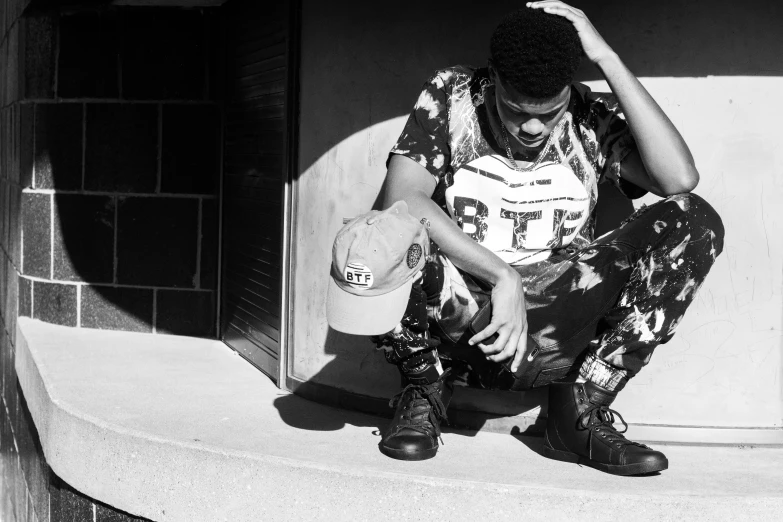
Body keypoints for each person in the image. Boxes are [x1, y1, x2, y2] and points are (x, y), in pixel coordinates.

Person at [326, 1, 724, 476]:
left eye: (549, 113)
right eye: (517, 112)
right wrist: (502, 276)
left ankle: (579, 409)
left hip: (561, 317)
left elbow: (679, 179)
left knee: (691, 220)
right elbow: (403, 200)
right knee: (379, 237)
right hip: (467, 312)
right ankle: (425, 391)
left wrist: (608, 60)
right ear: (493, 79)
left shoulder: (588, 113)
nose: (534, 128)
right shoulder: (453, 95)